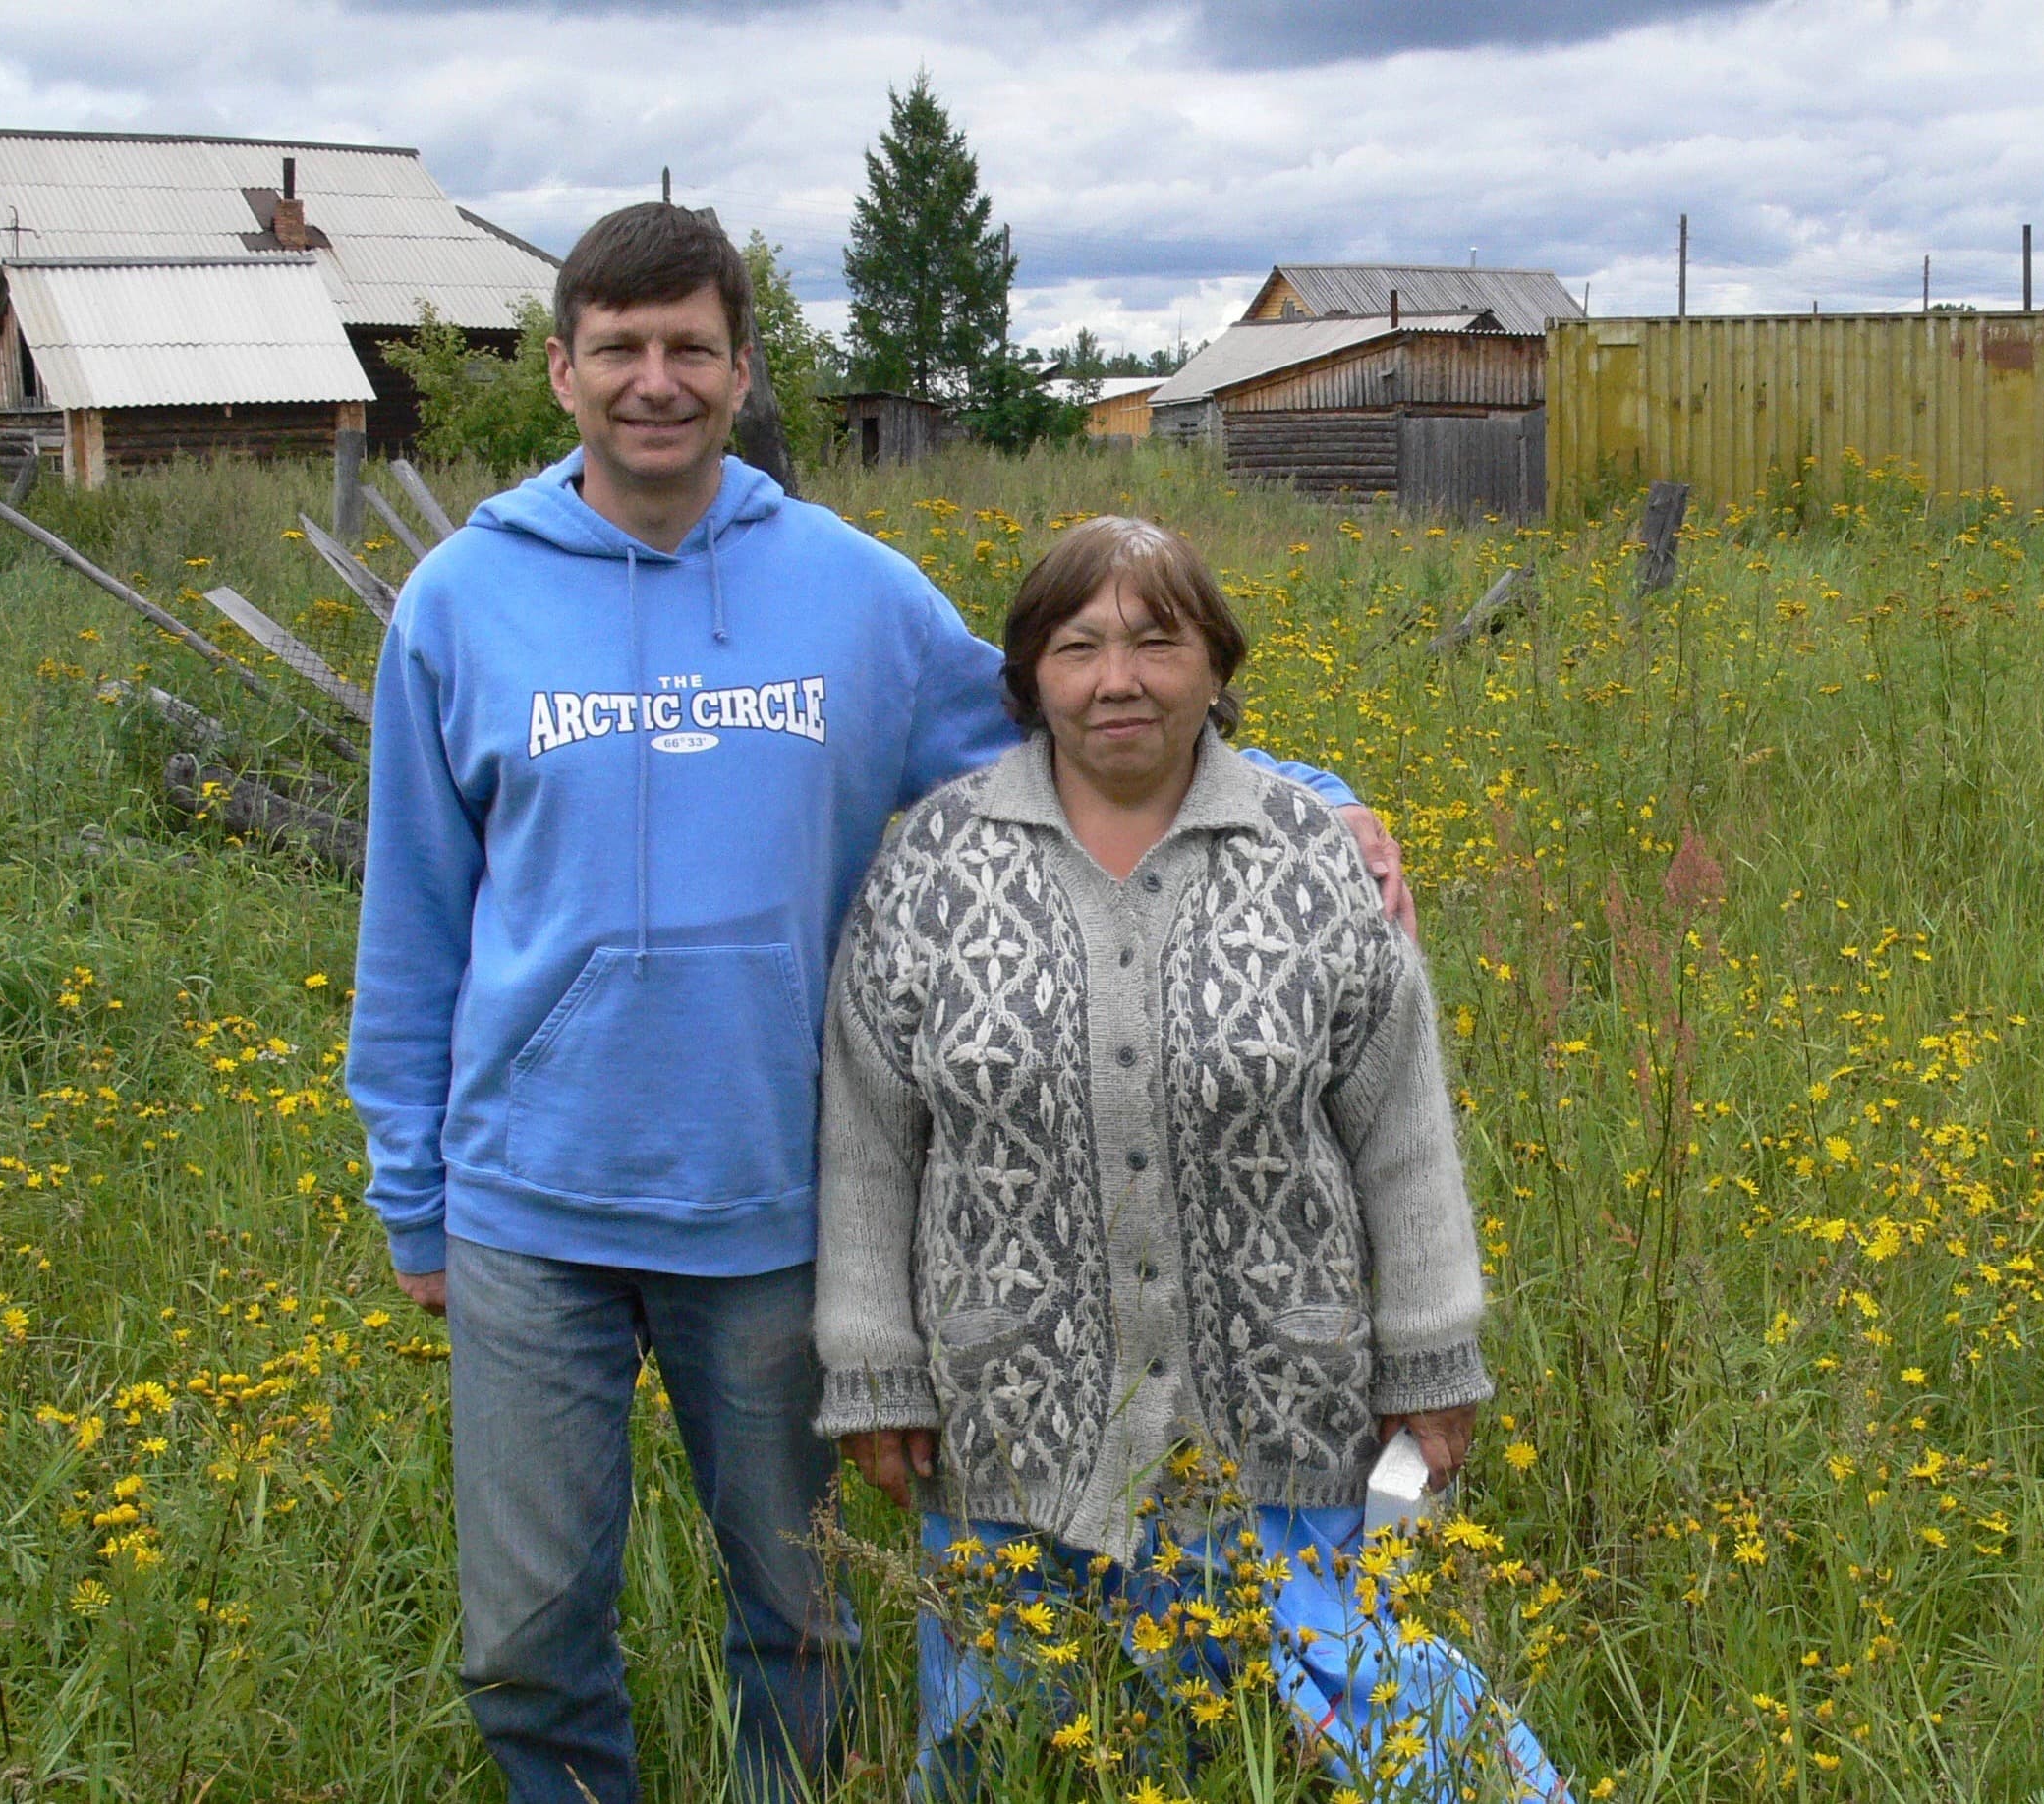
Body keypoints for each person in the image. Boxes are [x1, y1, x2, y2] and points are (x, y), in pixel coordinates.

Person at [345, 205, 1409, 1804]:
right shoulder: (459, 604)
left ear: (740, 368)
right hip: (531, 1206)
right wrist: (412, 1196)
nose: (656, 382)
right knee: (527, 1629)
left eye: (690, 347)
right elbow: (413, 915)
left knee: (810, 1616)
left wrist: (1304, 798)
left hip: (780, 1208)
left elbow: (1059, 721)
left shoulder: (848, 593)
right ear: (560, 371)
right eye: (620, 350)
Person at [814, 516, 1567, 1800]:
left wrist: (1434, 1354)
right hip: (1012, 1412)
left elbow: (1401, 1133)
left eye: (1159, 641)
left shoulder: (1312, 855)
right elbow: (873, 1143)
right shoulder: (931, 867)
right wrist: (875, 1367)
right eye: (1079, 646)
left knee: (1362, 1713)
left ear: (1217, 668)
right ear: (1028, 683)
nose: (1119, 679)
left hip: (1285, 1398)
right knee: (1022, 1751)